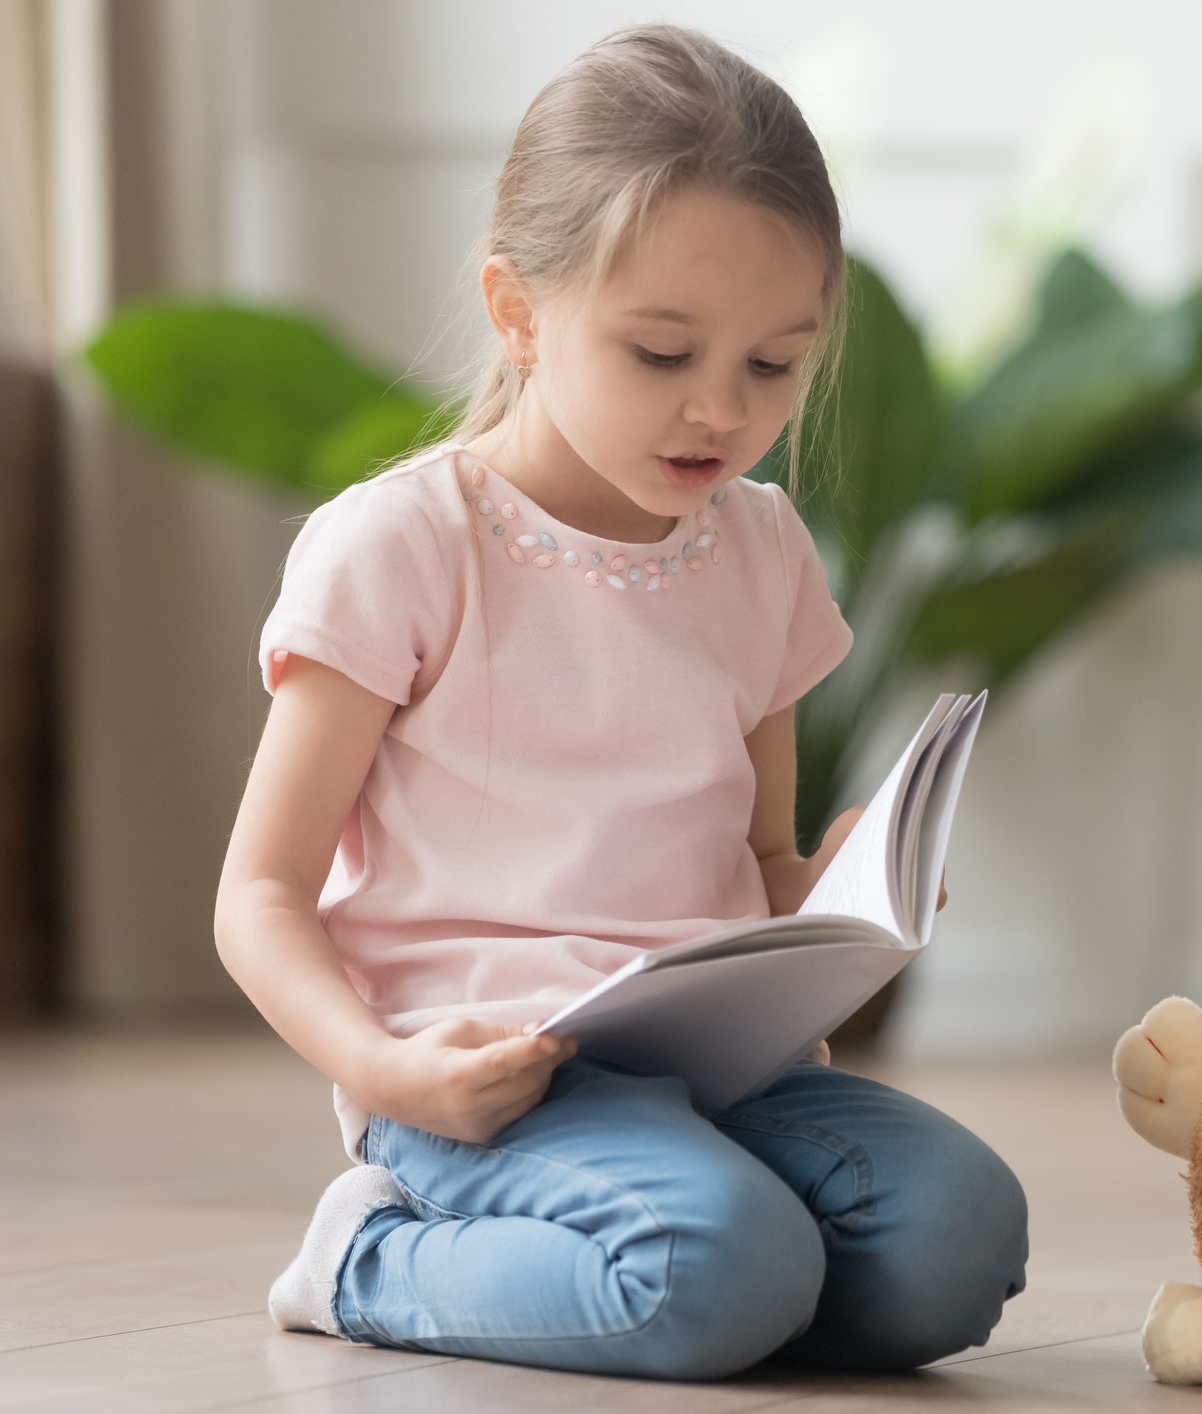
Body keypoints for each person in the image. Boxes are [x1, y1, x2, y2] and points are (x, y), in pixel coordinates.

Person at [213, 24, 1027, 1381]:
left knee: (959, 1237)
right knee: (718, 1264)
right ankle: (362, 1257)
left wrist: (836, 901)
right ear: (518, 310)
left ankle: (689, 1275)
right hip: (481, 1079)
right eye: (660, 352)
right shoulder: (403, 546)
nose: (721, 409)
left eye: (774, 364)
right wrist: (390, 1067)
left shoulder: (760, 551)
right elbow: (259, 895)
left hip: (717, 1068)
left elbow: (756, 866)